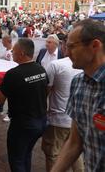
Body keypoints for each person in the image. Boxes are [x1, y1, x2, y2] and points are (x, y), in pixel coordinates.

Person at [51, 19, 105, 172]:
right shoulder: (78, 83)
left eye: (72, 47)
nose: (66, 53)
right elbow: (75, 142)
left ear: (95, 45)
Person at [0, 38, 48, 172]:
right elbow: (46, 91)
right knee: (26, 154)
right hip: (41, 121)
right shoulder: (41, 70)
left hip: (22, 124)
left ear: (21, 53)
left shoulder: (13, 74)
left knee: (16, 159)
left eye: (14, 50)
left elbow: (0, 100)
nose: (12, 52)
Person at [41, 35, 84, 171]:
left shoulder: (56, 65)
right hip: (76, 119)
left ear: (64, 46)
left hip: (57, 119)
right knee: (75, 153)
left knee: (53, 154)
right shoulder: (86, 65)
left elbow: (45, 92)